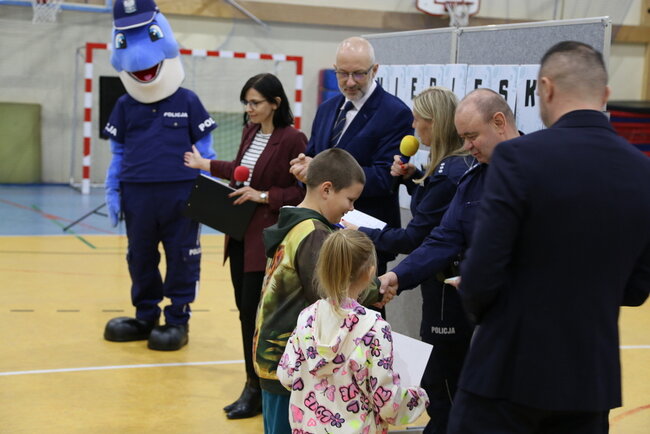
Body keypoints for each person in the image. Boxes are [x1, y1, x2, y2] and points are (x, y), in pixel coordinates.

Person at [447, 41, 650, 434]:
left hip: (508, 373)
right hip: (590, 382)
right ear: (605, 95)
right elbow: (638, 288)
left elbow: (482, 274)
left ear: (546, 88)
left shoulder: (518, 158)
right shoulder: (642, 173)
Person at [378, 88, 521, 432]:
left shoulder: (543, 171)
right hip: (485, 317)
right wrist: (398, 277)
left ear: (499, 122)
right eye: (462, 137)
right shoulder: (473, 179)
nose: (467, 147)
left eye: (472, 136)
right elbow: (443, 238)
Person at [341, 86, 472, 433]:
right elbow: (435, 210)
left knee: (442, 373)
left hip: (446, 289)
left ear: (435, 123)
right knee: (445, 369)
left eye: (417, 119)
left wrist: (361, 230)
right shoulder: (448, 167)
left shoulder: (450, 173)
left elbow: (415, 237)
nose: (413, 125)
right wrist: (415, 179)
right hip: (442, 284)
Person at [183, 73, 307, 419]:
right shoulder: (250, 131)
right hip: (238, 234)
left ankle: (259, 388)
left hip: (265, 240)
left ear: (275, 103)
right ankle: (252, 383)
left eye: (255, 103)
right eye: (246, 103)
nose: (248, 109)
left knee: (256, 315)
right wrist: (206, 165)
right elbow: (241, 171)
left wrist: (263, 196)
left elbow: (300, 191)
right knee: (244, 311)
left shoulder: (293, 138)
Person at [102, 0, 217, 351]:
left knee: (182, 255)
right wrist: (112, 190)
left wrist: (209, 194)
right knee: (140, 255)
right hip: (136, 194)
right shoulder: (124, 105)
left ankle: (178, 318)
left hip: (181, 194)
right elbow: (117, 153)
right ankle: (145, 314)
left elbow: (206, 149)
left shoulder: (188, 100)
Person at [253, 148, 385, 433]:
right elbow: (333, 292)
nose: (351, 208)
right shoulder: (314, 234)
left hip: (280, 359)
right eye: (350, 199)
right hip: (288, 364)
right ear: (326, 189)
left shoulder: (297, 223)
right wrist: (376, 288)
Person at [277, 229, 429, 433]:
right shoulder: (374, 328)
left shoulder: (307, 317)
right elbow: (387, 402)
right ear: (370, 272)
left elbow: (286, 375)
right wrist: (417, 398)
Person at [290, 36, 414, 275]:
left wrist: (320, 171)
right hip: (318, 233)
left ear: (374, 70)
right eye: (342, 74)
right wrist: (303, 169)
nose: (349, 82)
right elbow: (314, 157)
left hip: (362, 240)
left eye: (358, 74)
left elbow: (384, 178)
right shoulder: (327, 109)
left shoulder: (395, 113)